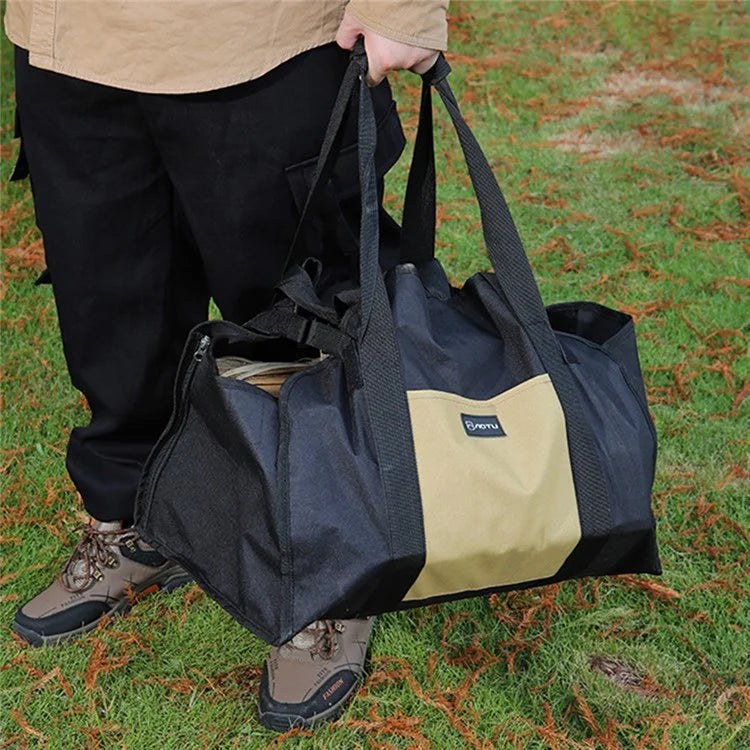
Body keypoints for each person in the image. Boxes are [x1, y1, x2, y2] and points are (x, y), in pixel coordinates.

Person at [5, 0, 447, 731]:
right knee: (110, 303)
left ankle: (329, 572)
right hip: (71, 39)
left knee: (298, 321)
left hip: (264, 41)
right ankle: (139, 518)